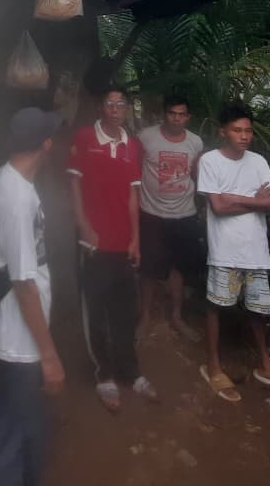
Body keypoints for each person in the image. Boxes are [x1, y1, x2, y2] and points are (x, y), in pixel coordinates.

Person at [0, 107, 65, 486]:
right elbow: (24, 283)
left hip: (13, 331)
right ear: (46, 145)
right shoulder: (17, 197)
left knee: (14, 424)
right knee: (18, 434)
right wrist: (49, 356)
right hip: (20, 339)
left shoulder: (7, 179)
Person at [68, 87, 155, 411]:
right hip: (94, 242)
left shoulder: (133, 146)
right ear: (101, 107)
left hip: (124, 243)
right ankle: (103, 374)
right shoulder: (85, 138)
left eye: (121, 104)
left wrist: (136, 238)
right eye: (110, 103)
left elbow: (134, 196)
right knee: (97, 310)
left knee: (126, 311)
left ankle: (130, 371)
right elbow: (74, 188)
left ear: (127, 109)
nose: (116, 109)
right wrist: (84, 227)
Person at [196, 102, 270, 402]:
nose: (244, 136)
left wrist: (238, 199)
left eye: (248, 130)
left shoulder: (259, 161)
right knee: (216, 307)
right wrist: (254, 200)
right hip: (224, 249)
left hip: (255, 250)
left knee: (258, 311)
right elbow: (218, 207)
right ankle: (213, 365)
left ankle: (265, 365)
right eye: (237, 130)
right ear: (223, 132)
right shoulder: (210, 161)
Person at [138, 94, 204, 341]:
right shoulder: (146, 137)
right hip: (152, 213)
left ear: (188, 117)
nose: (176, 119)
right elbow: (135, 172)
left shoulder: (195, 143)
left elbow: (197, 175)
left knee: (178, 268)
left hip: (184, 214)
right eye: (171, 113)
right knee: (149, 269)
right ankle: (145, 317)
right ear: (164, 114)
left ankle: (176, 317)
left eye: (181, 114)